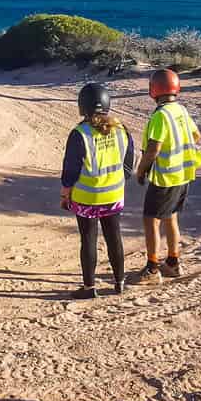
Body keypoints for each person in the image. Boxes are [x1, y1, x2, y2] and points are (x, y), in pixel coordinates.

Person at [61, 81, 135, 298]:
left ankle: (89, 288)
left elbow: (70, 172)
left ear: (82, 106)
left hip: (87, 197)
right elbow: (128, 166)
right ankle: (119, 283)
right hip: (113, 195)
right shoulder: (121, 130)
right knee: (114, 237)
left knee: (88, 239)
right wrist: (116, 182)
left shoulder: (80, 133)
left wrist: (65, 194)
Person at [135, 68, 201, 283]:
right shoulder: (181, 110)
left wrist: (141, 171)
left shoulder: (160, 115)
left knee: (151, 220)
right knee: (171, 216)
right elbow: (196, 136)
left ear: (153, 90)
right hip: (183, 175)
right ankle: (173, 263)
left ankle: (152, 267)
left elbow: (153, 149)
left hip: (165, 177)